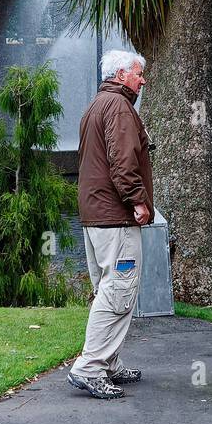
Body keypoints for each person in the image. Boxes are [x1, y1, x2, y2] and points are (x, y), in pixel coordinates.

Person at [68, 49, 154, 400]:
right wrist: (137, 200)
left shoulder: (97, 105)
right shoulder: (119, 107)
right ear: (121, 75)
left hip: (96, 215)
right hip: (115, 217)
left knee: (108, 287)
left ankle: (109, 362)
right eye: (137, 74)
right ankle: (90, 367)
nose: (142, 80)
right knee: (118, 291)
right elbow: (122, 161)